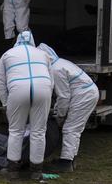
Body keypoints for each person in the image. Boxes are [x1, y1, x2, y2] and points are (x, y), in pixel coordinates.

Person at [0, 31, 51, 179]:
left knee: (16, 130)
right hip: (43, 89)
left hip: (18, 90)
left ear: (17, 40)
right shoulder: (43, 54)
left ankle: (13, 169)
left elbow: (0, 81)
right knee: (39, 131)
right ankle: (36, 171)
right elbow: (51, 79)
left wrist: (5, 102)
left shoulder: (7, 54)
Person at [39, 43, 98, 173]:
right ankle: (70, 159)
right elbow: (64, 95)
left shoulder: (55, 70)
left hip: (84, 95)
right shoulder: (60, 63)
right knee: (75, 129)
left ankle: (65, 163)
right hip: (86, 93)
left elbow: (63, 96)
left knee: (70, 128)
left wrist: (60, 115)